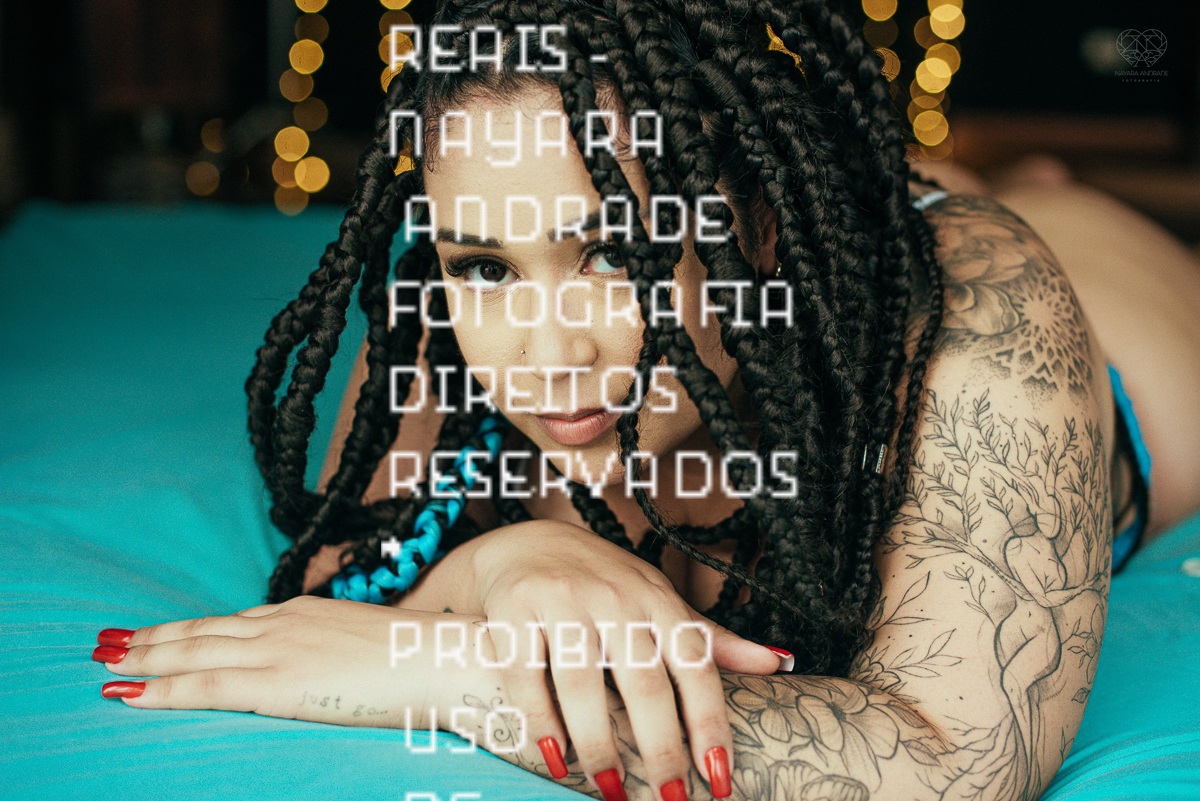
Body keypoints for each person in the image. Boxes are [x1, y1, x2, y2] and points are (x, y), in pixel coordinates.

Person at [89, 2, 1200, 800]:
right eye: (487, 266)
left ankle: (1021, 183)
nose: (547, 353)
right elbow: (343, 559)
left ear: (762, 227)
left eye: (615, 251)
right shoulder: (449, 299)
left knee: (1022, 208)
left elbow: (961, 759)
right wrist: (505, 563)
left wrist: (460, 671)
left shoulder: (986, 312)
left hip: (1118, 305)